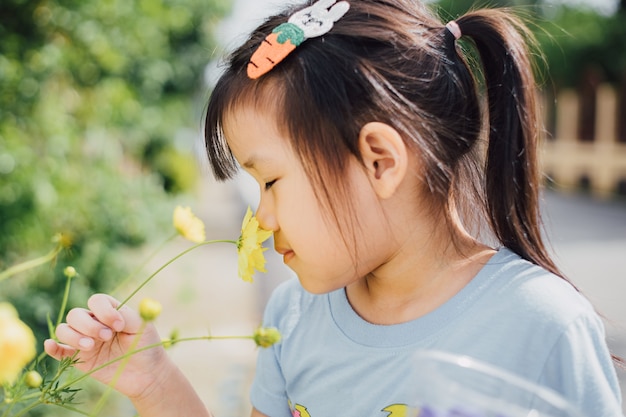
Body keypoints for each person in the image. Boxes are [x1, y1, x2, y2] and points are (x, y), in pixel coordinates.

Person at [45, 0, 624, 416]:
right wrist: (154, 384)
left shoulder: (540, 326)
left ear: (378, 160)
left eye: (270, 181)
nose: (261, 218)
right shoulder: (293, 317)